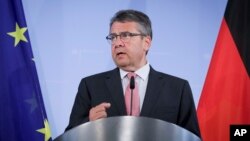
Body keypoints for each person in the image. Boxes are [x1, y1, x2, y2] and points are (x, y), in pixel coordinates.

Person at [65, 9, 200, 137]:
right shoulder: (90, 85)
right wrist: (89, 123)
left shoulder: (178, 89)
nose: (117, 43)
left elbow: (191, 137)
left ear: (146, 43)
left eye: (125, 36)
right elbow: (70, 135)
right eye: (113, 37)